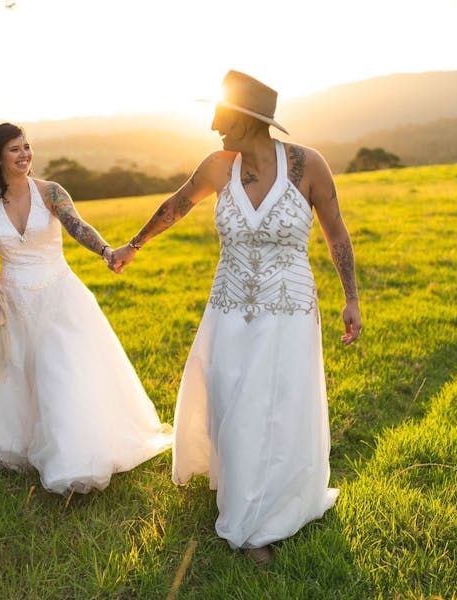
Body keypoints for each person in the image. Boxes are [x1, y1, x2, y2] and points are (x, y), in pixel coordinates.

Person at [110, 71, 361, 562]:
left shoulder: (310, 165)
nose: (213, 127)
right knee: (231, 399)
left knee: (278, 405)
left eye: (222, 117)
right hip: (228, 306)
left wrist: (350, 297)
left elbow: (336, 233)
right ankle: (240, 485)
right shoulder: (218, 166)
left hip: (288, 308)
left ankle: (258, 523)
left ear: (248, 120)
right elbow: (176, 206)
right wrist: (134, 245)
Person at [0, 123, 172, 495]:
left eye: (26, 147)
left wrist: (107, 253)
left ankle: (69, 464)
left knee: (60, 372)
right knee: (24, 377)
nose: (24, 155)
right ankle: (24, 443)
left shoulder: (52, 193)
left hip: (59, 298)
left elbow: (77, 226)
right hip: (13, 303)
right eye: (15, 149)